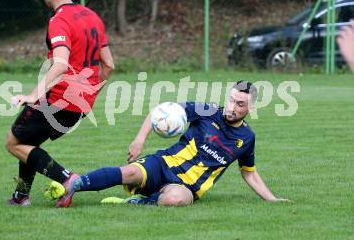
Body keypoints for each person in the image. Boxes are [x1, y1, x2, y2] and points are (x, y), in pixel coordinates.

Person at [55, 81, 289, 207]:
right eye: (230, 99)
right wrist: (139, 139)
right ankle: (76, 185)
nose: (232, 107)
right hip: (163, 164)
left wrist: (272, 199)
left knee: (174, 200)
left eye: (240, 104)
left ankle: (140, 202)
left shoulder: (247, 138)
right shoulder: (206, 110)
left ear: (252, 108)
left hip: (188, 187)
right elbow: (162, 111)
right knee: (129, 172)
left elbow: (249, 173)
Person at [5, 0, 114, 207]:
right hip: (80, 104)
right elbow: (108, 65)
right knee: (29, 144)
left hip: (58, 99)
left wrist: (32, 95)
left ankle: (67, 179)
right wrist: (91, 94)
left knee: (13, 143)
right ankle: (21, 196)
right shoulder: (92, 16)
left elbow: (61, 63)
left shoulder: (59, 20)